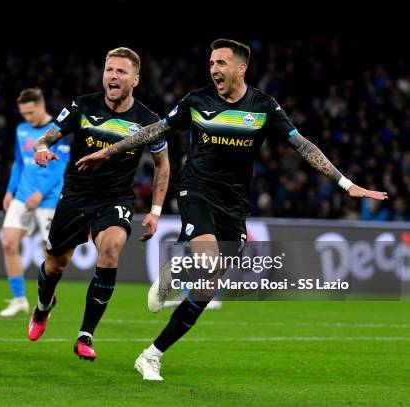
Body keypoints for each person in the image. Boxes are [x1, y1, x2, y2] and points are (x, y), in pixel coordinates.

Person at [76, 39, 388, 380]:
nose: (214, 70)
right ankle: (175, 271)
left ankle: (151, 355)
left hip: (235, 202)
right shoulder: (196, 101)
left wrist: (345, 184)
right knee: (208, 260)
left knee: (208, 286)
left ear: (241, 68)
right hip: (195, 189)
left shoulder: (264, 107)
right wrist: (109, 152)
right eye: (211, 63)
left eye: (221, 63)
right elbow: (156, 129)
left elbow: (301, 145)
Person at [30, 47, 171, 361]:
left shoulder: (148, 121)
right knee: (54, 265)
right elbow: (46, 138)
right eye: (110, 70)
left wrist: (155, 210)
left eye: (121, 71)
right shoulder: (82, 106)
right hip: (76, 196)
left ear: (135, 79)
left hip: (115, 199)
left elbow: (163, 165)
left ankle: (85, 334)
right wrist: (41, 149)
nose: (113, 76)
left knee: (110, 250)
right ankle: (42, 308)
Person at [0, 88, 69, 317]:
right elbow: (19, 163)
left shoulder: (58, 130)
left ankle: (46, 300)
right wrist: (10, 191)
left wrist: (41, 192)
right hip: (22, 196)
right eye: (24, 113)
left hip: (48, 200)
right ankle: (19, 298)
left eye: (31, 112)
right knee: (9, 243)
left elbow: (61, 165)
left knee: (50, 255)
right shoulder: (21, 130)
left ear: (42, 105)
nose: (27, 117)